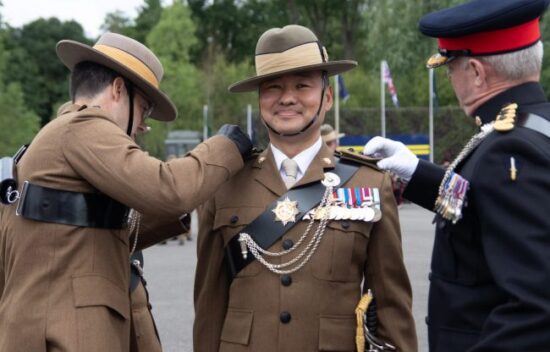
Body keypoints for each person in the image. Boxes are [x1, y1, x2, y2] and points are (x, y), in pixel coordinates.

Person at [0, 32, 252, 352]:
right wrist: (227, 147)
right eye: (144, 109)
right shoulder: (86, 125)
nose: (144, 126)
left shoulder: (49, 142)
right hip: (68, 338)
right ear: (119, 89)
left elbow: (96, 228)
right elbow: (168, 188)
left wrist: (176, 214)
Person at [193, 24, 417, 352]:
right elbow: (209, 304)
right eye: (273, 88)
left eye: (302, 85)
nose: (287, 98)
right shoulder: (224, 184)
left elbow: (391, 306)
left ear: (326, 97)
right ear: (259, 100)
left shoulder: (369, 182)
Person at [364, 0, 550, 350]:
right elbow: (486, 208)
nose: (450, 78)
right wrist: (418, 174)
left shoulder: (508, 151)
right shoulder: (531, 128)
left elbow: (536, 309)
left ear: (477, 72)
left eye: (451, 68)